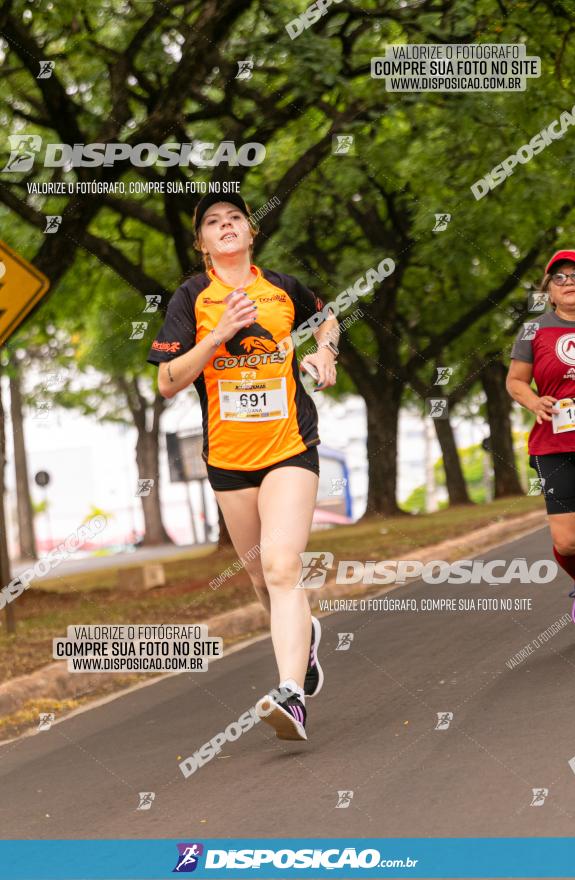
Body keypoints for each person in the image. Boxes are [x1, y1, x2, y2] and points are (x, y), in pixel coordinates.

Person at [147, 192, 338, 740]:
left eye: (235, 218)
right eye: (213, 221)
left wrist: (325, 352)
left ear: (250, 233)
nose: (226, 225)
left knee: (282, 566)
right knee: (259, 578)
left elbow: (328, 318)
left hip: (289, 447)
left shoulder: (279, 287)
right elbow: (166, 382)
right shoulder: (191, 299)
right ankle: (306, 641)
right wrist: (218, 333)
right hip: (228, 460)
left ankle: (291, 696)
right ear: (202, 243)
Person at [506, 249, 575, 629]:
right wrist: (536, 401)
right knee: (569, 543)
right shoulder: (534, 330)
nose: (569, 282)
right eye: (560, 277)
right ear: (549, 291)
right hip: (554, 446)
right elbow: (516, 382)